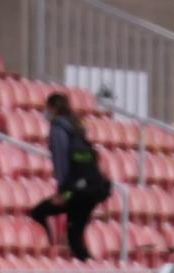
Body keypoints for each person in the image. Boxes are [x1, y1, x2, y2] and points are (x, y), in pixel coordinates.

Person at [27, 93, 111, 262]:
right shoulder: (77, 127)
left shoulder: (58, 129)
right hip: (91, 189)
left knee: (39, 213)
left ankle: (50, 247)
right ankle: (92, 269)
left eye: (47, 108)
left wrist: (63, 194)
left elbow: (61, 163)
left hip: (76, 192)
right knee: (75, 236)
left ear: (52, 108)